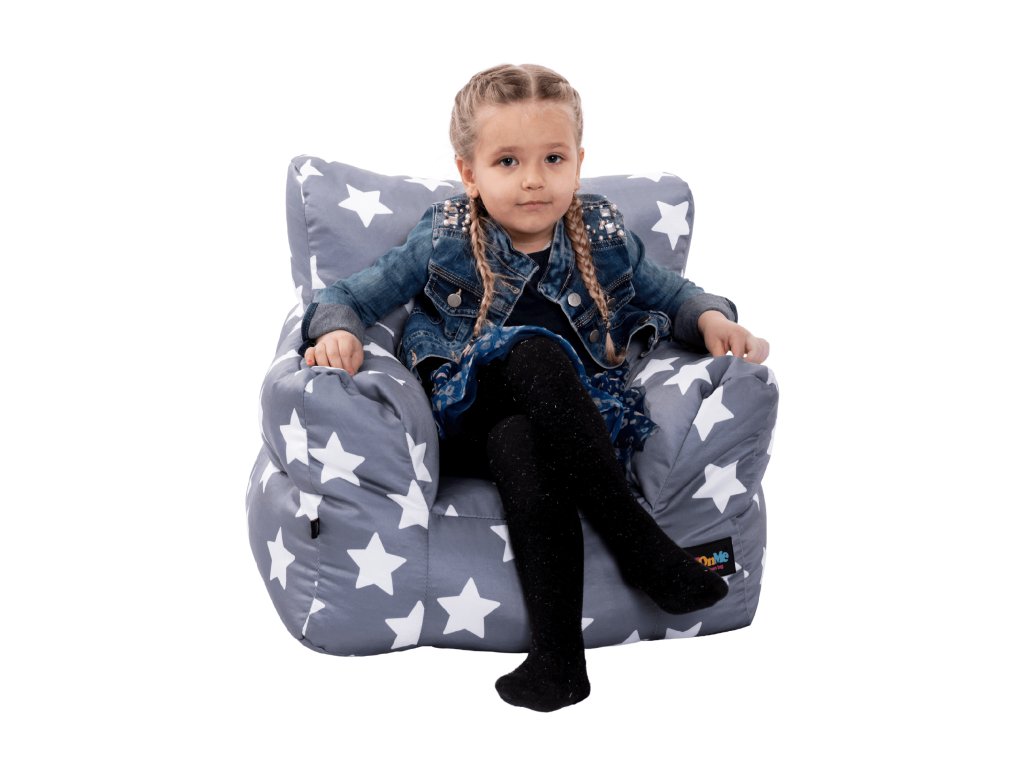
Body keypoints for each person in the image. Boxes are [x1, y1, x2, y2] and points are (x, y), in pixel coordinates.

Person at [300, 64, 770, 712]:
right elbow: (347, 296)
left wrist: (714, 319)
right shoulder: (446, 234)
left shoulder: (602, 234)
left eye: (553, 158)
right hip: (465, 407)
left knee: (522, 441)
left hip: (577, 426)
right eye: (507, 161)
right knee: (530, 348)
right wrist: (337, 331)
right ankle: (641, 545)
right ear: (469, 172)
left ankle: (559, 662)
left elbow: (677, 295)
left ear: (579, 163)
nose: (533, 179)